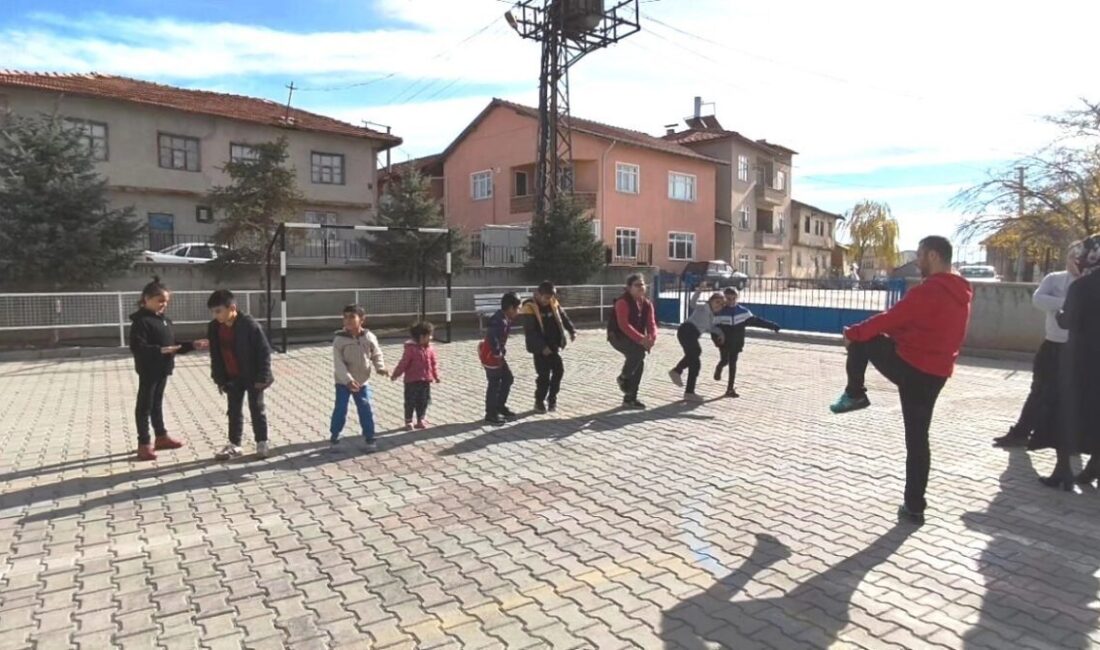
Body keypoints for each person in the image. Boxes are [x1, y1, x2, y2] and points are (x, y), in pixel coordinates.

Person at [829, 236, 973, 525]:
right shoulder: (961, 291)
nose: (917, 262)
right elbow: (928, 328)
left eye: (919, 256)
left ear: (932, 256)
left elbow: (890, 318)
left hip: (913, 368)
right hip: (937, 373)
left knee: (863, 340)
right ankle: (915, 506)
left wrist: (852, 332)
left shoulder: (930, 290)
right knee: (919, 440)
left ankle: (855, 393)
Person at [993, 251, 1079, 448]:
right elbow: (1038, 299)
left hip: (1077, 348)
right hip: (1052, 344)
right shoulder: (1055, 278)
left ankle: (1069, 442)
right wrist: (1068, 302)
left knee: (1070, 395)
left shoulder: (1090, 283)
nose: (1075, 261)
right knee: (1038, 390)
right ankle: (1022, 432)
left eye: (1079, 257)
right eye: (1071, 255)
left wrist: (1059, 302)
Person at [128, 277, 209, 461]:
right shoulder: (141, 322)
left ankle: (161, 436)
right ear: (146, 299)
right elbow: (137, 347)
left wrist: (192, 345)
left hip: (163, 368)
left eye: (166, 301)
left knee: (156, 404)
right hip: (149, 369)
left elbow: (173, 345)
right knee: (144, 406)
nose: (164, 304)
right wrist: (160, 350)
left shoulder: (164, 321)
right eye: (160, 301)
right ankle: (144, 443)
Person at [1042, 236, 1100, 490]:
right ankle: (1093, 467)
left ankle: (1063, 470)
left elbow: (1067, 321)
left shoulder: (1082, 286)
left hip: (1079, 359)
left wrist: (1060, 313)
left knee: (1065, 411)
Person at [206, 289, 275, 460]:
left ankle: (262, 442)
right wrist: (219, 378)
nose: (216, 316)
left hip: (253, 376)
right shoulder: (214, 327)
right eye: (213, 312)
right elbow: (215, 354)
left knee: (256, 408)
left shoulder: (250, 325)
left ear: (232, 308)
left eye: (218, 311)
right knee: (234, 410)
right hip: (232, 376)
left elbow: (264, 352)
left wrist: (262, 377)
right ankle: (234, 444)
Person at [329, 304, 388, 450]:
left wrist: (380, 367)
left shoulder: (369, 336)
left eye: (352, 317)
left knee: (365, 408)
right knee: (341, 408)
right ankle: (335, 436)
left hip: (363, 382)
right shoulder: (339, 339)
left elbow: (376, 353)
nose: (348, 321)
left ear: (362, 319)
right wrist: (348, 380)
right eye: (345, 317)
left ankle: (370, 438)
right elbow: (338, 364)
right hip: (343, 383)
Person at [712, 287, 781, 398]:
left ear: (737, 298)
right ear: (725, 299)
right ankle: (719, 367)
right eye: (729, 299)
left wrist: (772, 326)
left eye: (734, 298)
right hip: (724, 344)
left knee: (733, 364)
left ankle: (729, 389)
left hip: (736, 343)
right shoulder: (720, 313)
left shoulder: (743, 312)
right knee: (725, 361)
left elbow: (757, 321)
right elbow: (714, 329)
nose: (731, 301)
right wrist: (716, 341)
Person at [520, 281, 577, 413]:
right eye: (546, 297)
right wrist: (541, 347)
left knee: (559, 371)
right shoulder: (529, 307)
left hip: (554, 346)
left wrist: (571, 330)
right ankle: (539, 401)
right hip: (540, 349)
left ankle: (552, 399)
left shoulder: (553, 303)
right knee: (543, 376)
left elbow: (563, 317)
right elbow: (530, 331)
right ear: (538, 294)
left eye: (550, 297)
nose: (548, 300)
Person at [607, 273, 657, 409]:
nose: (641, 287)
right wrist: (641, 340)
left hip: (636, 338)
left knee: (639, 364)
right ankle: (623, 378)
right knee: (638, 353)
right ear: (629, 288)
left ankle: (630, 398)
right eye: (637, 285)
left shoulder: (647, 304)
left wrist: (651, 338)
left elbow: (651, 324)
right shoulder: (622, 302)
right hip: (618, 336)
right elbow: (624, 325)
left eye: (642, 284)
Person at [669, 292, 726, 402]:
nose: (718, 305)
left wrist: (721, 333)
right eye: (717, 302)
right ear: (711, 301)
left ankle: (689, 392)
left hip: (692, 335)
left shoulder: (711, 317)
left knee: (695, 363)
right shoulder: (704, 307)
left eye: (721, 304)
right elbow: (692, 303)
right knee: (696, 351)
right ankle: (676, 371)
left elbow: (711, 328)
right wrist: (699, 290)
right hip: (687, 330)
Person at [479, 292, 521, 425]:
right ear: (510, 308)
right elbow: (492, 337)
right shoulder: (499, 320)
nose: (518, 311)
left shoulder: (504, 318)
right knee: (494, 384)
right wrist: (497, 353)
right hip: (491, 357)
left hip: (497, 356)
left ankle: (499, 406)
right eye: (517, 308)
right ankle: (490, 413)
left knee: (508, 378)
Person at [391, 321, 440, 431]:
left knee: (423, 401)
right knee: (410, 401)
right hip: (411, 381)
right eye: (429, 335)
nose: (431, 338)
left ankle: (420, 419)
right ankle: (408, 421)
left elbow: (433, 363)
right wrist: (396, 374)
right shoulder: (410, 349)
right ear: (422, 337)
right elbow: (403, 363)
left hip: (425, 380)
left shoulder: (430, 349)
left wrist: (436, 375)